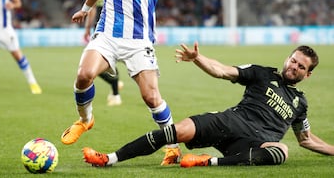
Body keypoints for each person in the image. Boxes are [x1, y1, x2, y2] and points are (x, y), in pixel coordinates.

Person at [61, 0, 180, 165]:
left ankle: (172, 147)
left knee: (151, 97)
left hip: (139, 39)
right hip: (107, 33)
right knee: (84, 75)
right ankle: (85, 120)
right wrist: (85, 8)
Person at [82, 43, 334, 167]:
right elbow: (222, 71)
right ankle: (110, 158)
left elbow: (306, 139)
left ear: (307, 74)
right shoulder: (261, 73)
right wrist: (198, 58)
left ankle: (207, 161)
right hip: (229, 121)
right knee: (176, 131)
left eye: (301, 67)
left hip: (254, 143)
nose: (294, 67)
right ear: (287, 59)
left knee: (281, 151)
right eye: (293, 61)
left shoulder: (300, 103)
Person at [84, 0, 124, 106]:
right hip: (117, 27)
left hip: (102, 28)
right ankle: (116, 89)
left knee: (94, 64)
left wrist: (87, 28)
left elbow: (92, 9)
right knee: (109, 60)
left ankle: (115, 90)